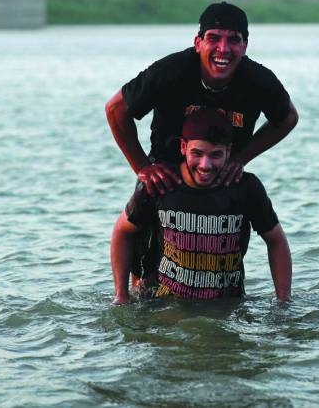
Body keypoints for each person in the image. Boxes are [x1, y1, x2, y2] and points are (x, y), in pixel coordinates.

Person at [105, 1, 298, 194]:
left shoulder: (258, 80)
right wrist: (143, 168)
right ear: (198, 43)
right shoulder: (170, 72)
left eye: (233, 40)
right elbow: (115, 109)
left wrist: (240, 159)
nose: (223, 49)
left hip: (222, 177)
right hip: (167, 179)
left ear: (245, 46)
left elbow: (288, 118)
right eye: (213, 38)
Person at [110, 108, 292, 303]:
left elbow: (276, 240)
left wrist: (283, 302)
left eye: (216, 155)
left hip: (227, 305)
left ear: (228, 151)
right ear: (183, 147)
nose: (205, 165)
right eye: (197, 153)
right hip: (168, 305)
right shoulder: (162, 184)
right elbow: (122, 232)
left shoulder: (246, 188)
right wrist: (121, 296)